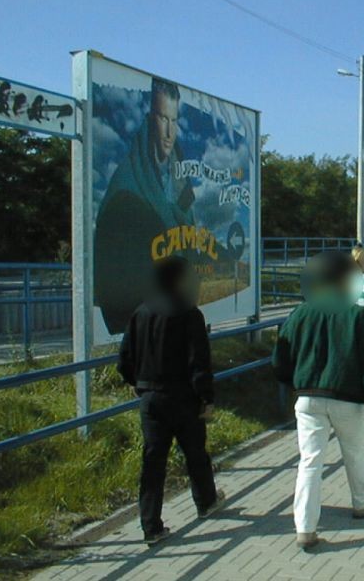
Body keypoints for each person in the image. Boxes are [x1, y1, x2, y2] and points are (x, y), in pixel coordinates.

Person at [273, 252, 364, 550]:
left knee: (309, 461)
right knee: (354, 452)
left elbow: (280, 359)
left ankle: (305, 528)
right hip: (348, 399)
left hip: (308, 398)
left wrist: (291, 384)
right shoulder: (357, 314)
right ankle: (362, 502)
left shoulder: (300, 313)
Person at [118, 256, 225, 546]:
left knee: (153, 462)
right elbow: (199, 363)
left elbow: (125, 357)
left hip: (150, 398)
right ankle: (206, 501)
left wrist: (135, 382)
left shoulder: (140, 313)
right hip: (184, 397)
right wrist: (207, 397)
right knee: (195, 453)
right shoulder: (190, 314)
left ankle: (150, 525)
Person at [95, 77, 197, 334]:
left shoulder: (178, 177)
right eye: (163, 119)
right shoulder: (127, 187)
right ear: (151, 119)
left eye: (174, 121)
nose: (168, 133)